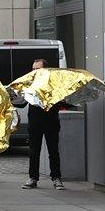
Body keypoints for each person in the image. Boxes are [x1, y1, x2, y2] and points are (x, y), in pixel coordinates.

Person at [23, 58, 64, 190]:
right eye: (33, 69)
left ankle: (56, 178)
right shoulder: (29, 83)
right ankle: (33, 178)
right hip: (35, 122)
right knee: (34, 151)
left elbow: (61, 100)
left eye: (38, 68)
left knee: (53, 151)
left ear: (45, 70)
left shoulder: (53, 84)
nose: (35, 71)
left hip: (51, 121)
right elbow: (21, 101)